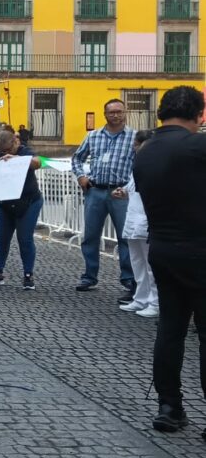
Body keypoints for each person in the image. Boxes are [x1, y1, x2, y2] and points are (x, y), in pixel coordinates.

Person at [131, 86, 206, 435]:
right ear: (199, 113)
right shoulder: (197, 145)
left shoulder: (145, 152)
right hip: (200, 248)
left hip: (162, 248)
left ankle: (169, 406)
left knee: (171, 330)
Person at [70, 99, 136, 293]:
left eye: (119, 112)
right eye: (112, 112)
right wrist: (81, 176)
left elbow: (140, 164)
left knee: (125, 237)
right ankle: (89, 276)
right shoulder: (93, 136)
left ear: (125, 113)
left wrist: (129, 187)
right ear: (105, 114)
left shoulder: (133, 137)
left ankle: (128, 278)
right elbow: (77, 158)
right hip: (95, 191)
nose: (116, 115)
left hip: (121, 192)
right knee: (90, 236)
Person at [0, 131, 43, 291]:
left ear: (15, 143)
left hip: (28, 201)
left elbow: (38, 162)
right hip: (6, 203)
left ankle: (28, 275)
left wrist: (17, 160)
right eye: (3, 151)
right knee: (2, 238)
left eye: (9, 150)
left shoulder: (25, 151)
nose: (6, 154)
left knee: (25, 239)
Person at [114, 130, 158, 317]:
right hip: (133, 218)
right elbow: (132, 187)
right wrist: (123, 191)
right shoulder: (138, 164)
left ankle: (155, 302)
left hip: (146, 219)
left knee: (150, 265)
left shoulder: (154, 164)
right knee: (137, 262)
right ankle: (140, 298)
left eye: (137, 144)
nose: (134, 148)